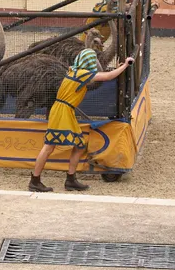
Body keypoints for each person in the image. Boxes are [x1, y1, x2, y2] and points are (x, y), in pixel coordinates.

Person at [28, 51, 133, 193]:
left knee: (79, 145)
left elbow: (103, 75)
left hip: (64, 111)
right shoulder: (81, 74)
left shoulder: (74, 71)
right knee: (49, 147)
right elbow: (107, 76)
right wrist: (125, 65)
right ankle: (35, 180)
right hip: (62, 112)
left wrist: (118, 68)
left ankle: (70, 179)